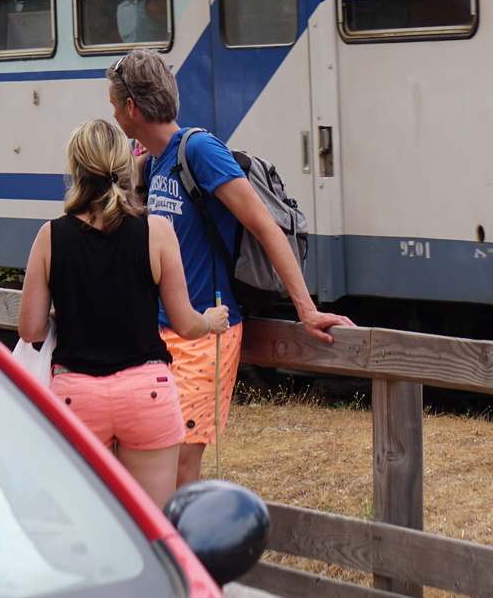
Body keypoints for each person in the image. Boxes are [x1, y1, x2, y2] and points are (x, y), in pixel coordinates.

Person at [106, 48, 355, 488]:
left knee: (181, 465)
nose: (112, 113)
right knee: (147, 461)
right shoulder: (158, 160)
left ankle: (185, 553)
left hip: (206, 334)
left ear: (131, 107)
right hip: (159, 333)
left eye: (113, 104)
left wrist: (306, 309)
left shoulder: (199, 149)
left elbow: (265, 226)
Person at [17, 118, 229, 508]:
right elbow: (184, 322)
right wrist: (211, 322)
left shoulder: (51, 236)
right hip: (146, 392)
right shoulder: (158, 230)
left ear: (76, 169)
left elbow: (30, 329)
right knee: (151, 525)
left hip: (76, 396)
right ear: (125, 164)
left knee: (88, 522)